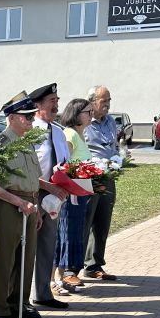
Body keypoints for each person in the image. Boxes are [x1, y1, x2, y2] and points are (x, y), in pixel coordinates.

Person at [0, 92, 43, 318]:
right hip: (9, 205)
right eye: (26, 116)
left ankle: (19, 303)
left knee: (26, 258)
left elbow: (34, 179)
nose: (31, 120)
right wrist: (19, 203)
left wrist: (35, 207)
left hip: (29, 205)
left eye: (32, 115)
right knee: (6, 258)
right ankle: (0, 308)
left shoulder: (26, 142)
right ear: (11, 117)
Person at [29, 83, 72, 309]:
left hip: (55, 195)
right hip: (33, 193)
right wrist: (49, 186)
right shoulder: (30, 130)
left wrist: (68, 183)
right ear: (37, 106)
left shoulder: (57, 131)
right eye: (51, 101)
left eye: (57, 100)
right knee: (29, 246)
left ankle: (43, 293)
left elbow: (64, 163)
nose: (56, 105)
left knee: (47, 244)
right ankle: (22, 297)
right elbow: (27, 171)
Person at [55, 98, 95, 292]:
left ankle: (64, 277)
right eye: (87, 112)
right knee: (65, 234)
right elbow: (65, 165)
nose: (91, 115)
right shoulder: (69, 134)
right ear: (76, 114)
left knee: (75, 233)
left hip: (80, 192)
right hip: (70, 194)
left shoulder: (81, 135)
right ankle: (57, 278)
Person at [82, 85, 120, 282]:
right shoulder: (85, 121)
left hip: (108, 176)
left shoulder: (111, 122)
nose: (107, 105)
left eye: (109, 101)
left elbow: (114, 145)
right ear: (92, 102)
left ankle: (94, 265)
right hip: (90, 178)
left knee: (102, 222)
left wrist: (118, 159)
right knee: (85, 221)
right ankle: (72, 266)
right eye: (103, 101)